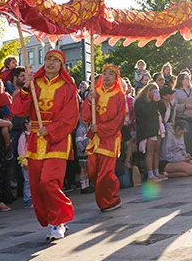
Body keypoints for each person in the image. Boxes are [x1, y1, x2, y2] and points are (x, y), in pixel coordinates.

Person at [12, 49, 78, 235]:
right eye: (48, 59)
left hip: (57, 139)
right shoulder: (34, 84)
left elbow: (71, 116)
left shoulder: (68, 86)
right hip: (35, 139)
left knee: (49, 180)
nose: (51, 63)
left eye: (55, 60)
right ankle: (51, 219)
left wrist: (50, 129)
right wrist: (25, 88)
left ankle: (60, 220)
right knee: (37, 185)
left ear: (61, 65)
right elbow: (18, 110)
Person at [81, 64, 127, 212]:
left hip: (110, 138)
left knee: (105, 174)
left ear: (116, 78)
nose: (106, 76)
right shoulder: (94, 93)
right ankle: (108, 196)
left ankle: (109, 201)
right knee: (93, 172)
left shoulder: (119, 96)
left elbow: (119, 120)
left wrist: (100, 128)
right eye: (104, 73)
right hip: (95, 139)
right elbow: (85, 117)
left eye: (111, 74)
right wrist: (89, 101)